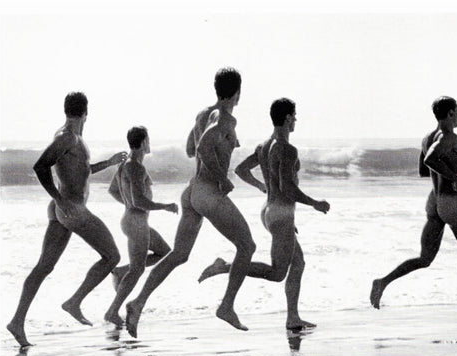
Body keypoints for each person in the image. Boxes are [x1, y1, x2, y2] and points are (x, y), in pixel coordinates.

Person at [125, 67, 260, 337]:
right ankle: (226, 307)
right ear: (237, 93)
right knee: (247, 245)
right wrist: (222, 177)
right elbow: (201, 147)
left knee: (179, 255)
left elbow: (190, 147)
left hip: (192, 193)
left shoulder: (202, 114)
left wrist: (219, 147)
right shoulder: (225, 119)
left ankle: (137, 303)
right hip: (208, 191)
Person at [6, 92, 127, 347]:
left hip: (62, 211)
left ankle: (17, 322)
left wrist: (110, 162)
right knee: (112, 257)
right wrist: (59, 199)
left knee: (43, 267)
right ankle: (74, 302)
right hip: (71, 209)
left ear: (66, 110)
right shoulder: (67, 137)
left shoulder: (74, 138)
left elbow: (82, 171)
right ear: (86, 112)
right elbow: (40, 166)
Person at [199, 98, 330, 330]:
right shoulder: (287, 149)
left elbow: (241, 170)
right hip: (280, 214)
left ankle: (293, 317)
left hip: (269, 211)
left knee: (298, 262)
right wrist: (314, 203)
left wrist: (263, 187)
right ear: (288, 118)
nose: (296, 120)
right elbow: (287, 187)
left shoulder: (263, 146)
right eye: (295, 116)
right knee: (277, 273)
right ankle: (225, 266)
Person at [370, 96, 457, 327]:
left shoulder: (427, 138)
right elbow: (431, 160)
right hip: (451, 203)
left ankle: (382, 282)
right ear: (449, 113)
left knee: (425, 258)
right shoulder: (449, 136)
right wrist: (455, 176)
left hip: (434, 202)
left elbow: (422, 169)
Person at [104, 126, 178, 327]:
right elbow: (138, 201)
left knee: (164, 251)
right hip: (136, 222)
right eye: (149, 139)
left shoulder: (125, 165)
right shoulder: (135, 166)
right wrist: (164, 206)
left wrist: (129, 205)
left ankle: (121, 272)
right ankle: (112, 311)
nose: (149, 143)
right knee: (137, 270)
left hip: (133, 221)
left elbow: (113, 190)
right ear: (144, 142)